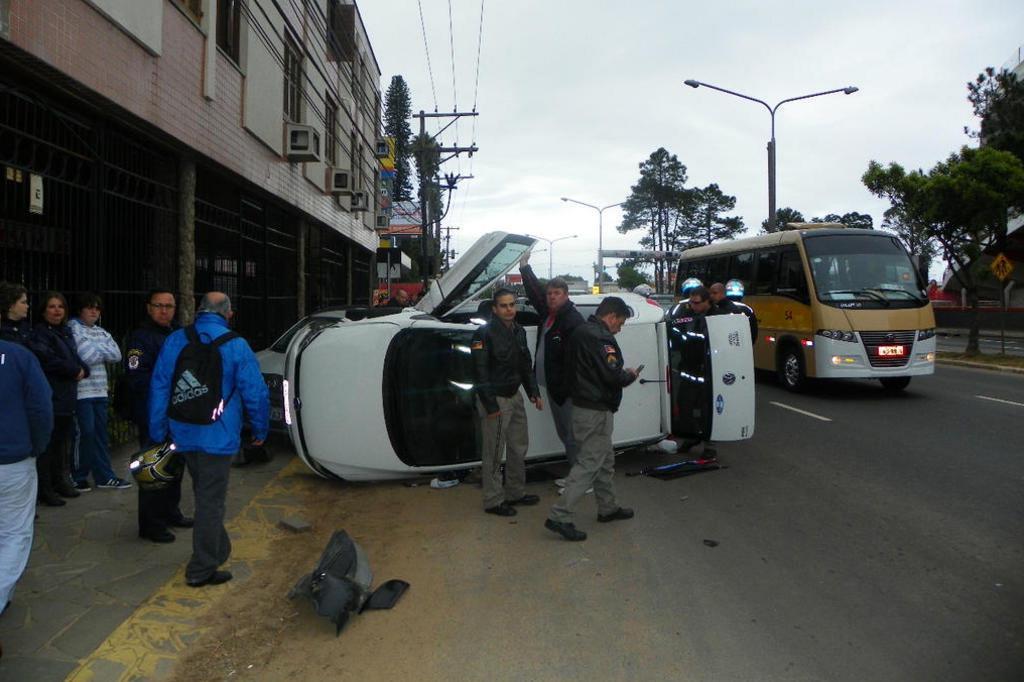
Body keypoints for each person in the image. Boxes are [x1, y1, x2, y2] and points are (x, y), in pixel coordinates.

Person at [148, 292, 269, 587]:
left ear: (199, 310)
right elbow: (256, 392)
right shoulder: (236, 345)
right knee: (210, 502)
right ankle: (201, 568)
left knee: (205, 493)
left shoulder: (176, 340)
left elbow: (160, 385)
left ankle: (219, 548)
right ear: (228, 314)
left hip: (184, 431)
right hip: (219, 435)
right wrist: (260, 430)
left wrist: (157, 428)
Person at [545, 297, 640, 542]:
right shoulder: (600, 337)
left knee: (605, 460)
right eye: (620, 322)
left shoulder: (581, 332)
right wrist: (628, 376)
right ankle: (559, 516)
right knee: (589, 463)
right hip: (594, 411)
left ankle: (607, 507)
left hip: (586, 407)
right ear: (611, 317)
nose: (620, 328)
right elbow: (612, 375)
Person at [125, 289, 191, 542]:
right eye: (159, 305)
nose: (164, 311)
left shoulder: (178, 335)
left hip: (178, 413)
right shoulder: (140, 339)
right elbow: (136, 377)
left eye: (169, 306)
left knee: (175, 464)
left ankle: (171, 512)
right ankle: (151, 524)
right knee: (153, 467)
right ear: (149, 308)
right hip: (153, 414)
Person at [471, 288, 544, 517]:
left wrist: (533, 392)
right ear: (495, 309)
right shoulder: (483, 334)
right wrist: (491, 407)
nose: (509, 309)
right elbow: (479, 373)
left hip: (515, 396)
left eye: (512, 304)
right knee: (494, 452)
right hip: (496, 399)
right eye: (504, 305)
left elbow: (525, 365)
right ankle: (493, 500)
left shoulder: (519, 331)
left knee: (518, 446)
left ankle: (515, 492)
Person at [518, 253, 585, 489]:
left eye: (556, 294)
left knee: (573, 436)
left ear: (566, 296)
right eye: (550, 294)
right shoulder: (550, 316)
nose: (551, 297)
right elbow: (535, 292)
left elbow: (578, 360)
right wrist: (524, 267)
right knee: (566, 434)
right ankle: (576, 476)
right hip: (553, 388)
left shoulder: (572, 321)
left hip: (565, 391)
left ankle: (581, 481)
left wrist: (567, 388)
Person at [0, 338, 53, 611]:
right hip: (13, 461)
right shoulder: (19, 357)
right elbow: (41, 407)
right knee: (13, 534)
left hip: (14, 458)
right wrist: (36, 446)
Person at [28, 292, 89, 506]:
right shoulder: (40, 334)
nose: (56, 311)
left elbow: (74, 356)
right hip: (52, 396)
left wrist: (84, 369)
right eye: (52, 306)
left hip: (67, 398)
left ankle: (60, 480)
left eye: (60, 306)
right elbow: (48, 359)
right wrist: (74, 370)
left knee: (62, 442)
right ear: (43, 310)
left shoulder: (65, 332)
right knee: (47, 445)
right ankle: (45, 488)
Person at [69, 293, 130, 491]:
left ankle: (104, 475)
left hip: (100, 391)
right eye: (89, 307)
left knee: (100, 435)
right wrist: (101, 350)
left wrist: (97, 349)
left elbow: (117, 354)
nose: (94, 311)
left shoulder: (101, 331)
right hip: (82, 392)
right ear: (80, 309)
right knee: (85, 433)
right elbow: (86, 355)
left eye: (97, 308)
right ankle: (78, 475)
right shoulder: (73, 328)